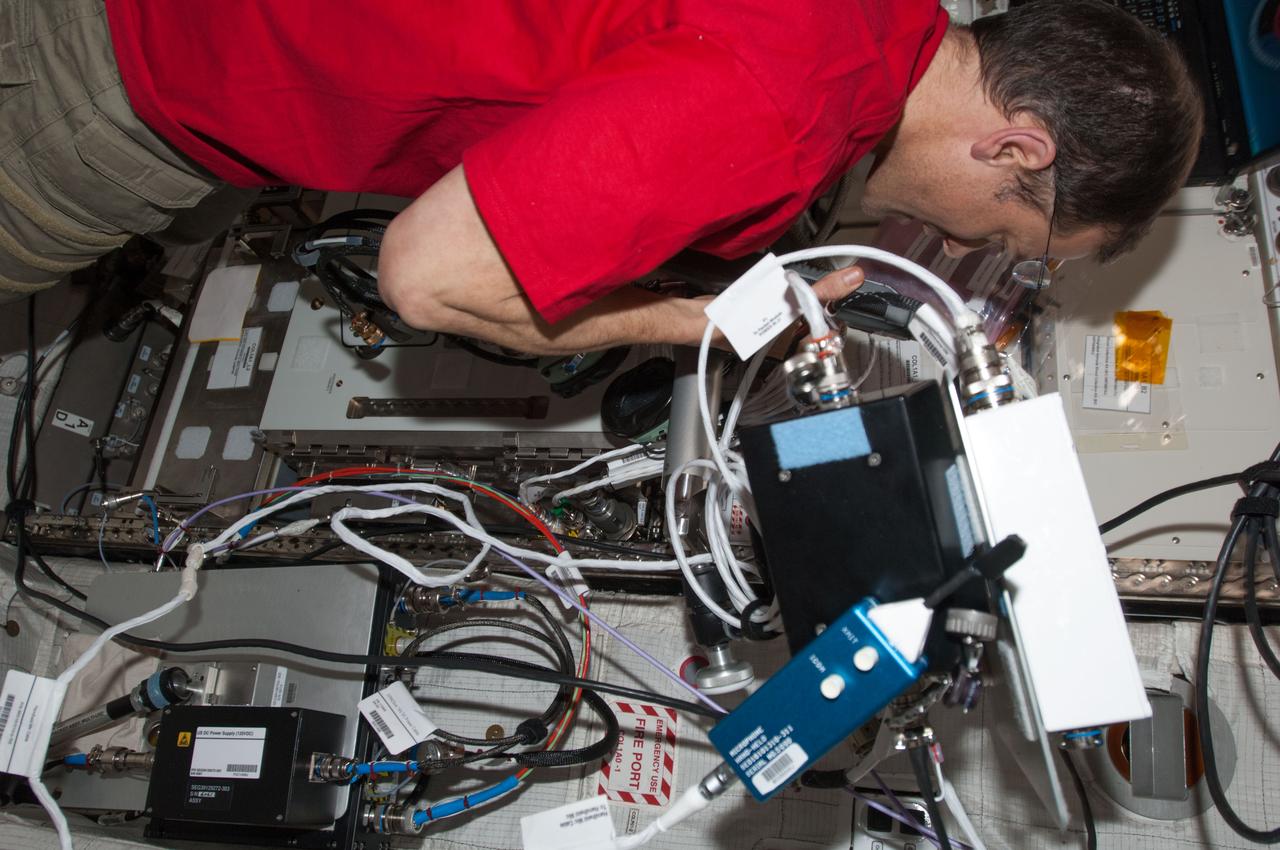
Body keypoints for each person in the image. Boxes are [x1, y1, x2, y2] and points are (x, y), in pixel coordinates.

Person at [0, 1, 1200, 356]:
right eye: (998, 236)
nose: (958, 244)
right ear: (1015, 150)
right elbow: (423, 276)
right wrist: (695, 325)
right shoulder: (781, 106)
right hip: (124, 74)